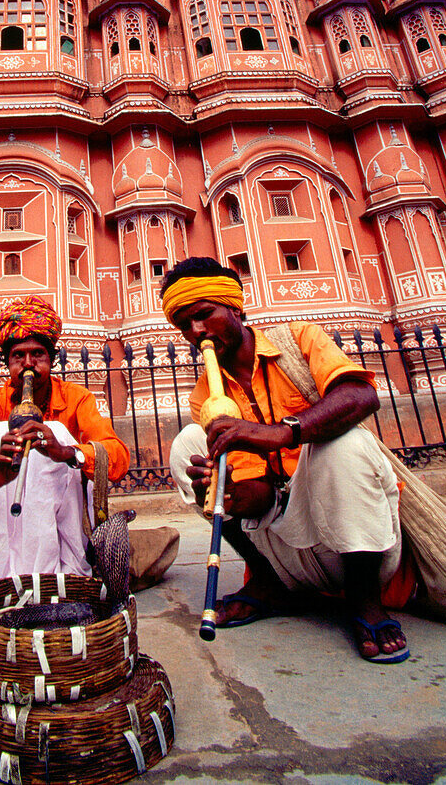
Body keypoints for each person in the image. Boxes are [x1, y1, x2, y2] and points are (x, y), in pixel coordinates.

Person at [162, 256, 413, 664]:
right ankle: (268, 583)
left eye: (204, 315)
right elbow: (260, 499)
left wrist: (282, 432)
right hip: (288, 546)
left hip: (350, 534)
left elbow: (361, 395)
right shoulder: (204, 393)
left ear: (234, 308)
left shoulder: (297, 339)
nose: (195, 332)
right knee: (188, 443)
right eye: (184, 324)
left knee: (342, 444)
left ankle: (365, 601)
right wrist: (226, 496)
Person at [0, 295, 130, 583]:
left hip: (65, 517)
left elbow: (117, 458)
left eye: (38, 355)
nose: (28, 364)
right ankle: (0, 572)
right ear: (7, 362)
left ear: (52, 360)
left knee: (56, 431)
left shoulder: (77, 398)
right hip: (4, 512)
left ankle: (63, 570)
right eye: (18, 356)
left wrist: (66, 452)